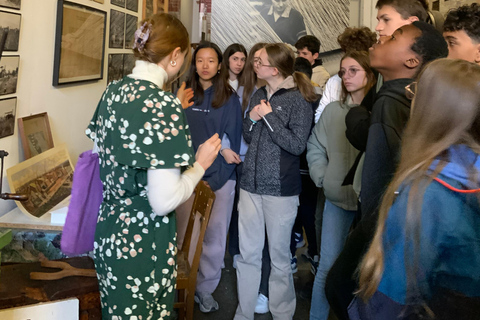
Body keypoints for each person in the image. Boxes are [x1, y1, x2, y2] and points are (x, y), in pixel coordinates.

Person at [85, 13, 221, 319]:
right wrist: (199, 166)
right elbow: (162, 202)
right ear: (175, 57)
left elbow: (99, 157)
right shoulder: (164, 105)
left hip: (109, 235)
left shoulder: (112, 93)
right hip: (142, 244)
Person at [325, 21, 448, 320]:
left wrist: (371, 234)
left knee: (341, 286)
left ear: (411, 61)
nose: (379, 37)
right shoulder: (410, 97)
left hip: (380, 226)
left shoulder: (390, 103)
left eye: (394, 36)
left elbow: (380, 179)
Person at [351, 58, 480, 320]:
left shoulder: (427, 195)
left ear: (430, 111)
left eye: (414, 92)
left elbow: (391, 298)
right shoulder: (468, 175)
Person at [234, 43, 316, 320]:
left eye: (260, 61)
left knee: (280, 259)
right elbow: (246, 134)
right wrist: (254, 119)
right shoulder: (258, 93)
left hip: (280, 191)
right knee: (247, 256)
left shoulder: (299, 99)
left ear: (275, 69)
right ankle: (244, 313)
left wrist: (268, 117)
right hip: (249, 187)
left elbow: (296, 145)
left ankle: (282, 314)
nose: (254, 65)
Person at [307, 50, 376, 320]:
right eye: (343, 71)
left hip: (369, 203)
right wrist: (323, 176)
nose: (346, 76)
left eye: (353, 70)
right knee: (327, 265)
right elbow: (314, 145)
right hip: (336, 198)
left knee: (366, 271)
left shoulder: (378, 113)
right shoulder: (333, 111)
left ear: (369, 74)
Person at [184, 41, 243, 313]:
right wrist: (190, 177)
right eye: (200, 60)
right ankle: (183, 286)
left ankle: (205, 289)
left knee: (214, 238)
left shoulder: (229, 99)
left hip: (220, 178)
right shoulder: (183, 94)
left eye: (211, 61)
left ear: (220, 65)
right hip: (186, 179)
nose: (205, 66)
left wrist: (214, 181)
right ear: (193, 64)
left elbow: (232, 143)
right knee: (186, 235)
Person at [289, 56, 320, 276]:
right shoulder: (317, 100)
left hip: (291, 163)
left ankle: (289, 255)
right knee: (310, 211)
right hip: (311, 165)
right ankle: (315, 254)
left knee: (290, 211)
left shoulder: (288, 99)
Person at [315, 27, 377, 122]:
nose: (346, 76)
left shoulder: (376, 81)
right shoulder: (334, 82)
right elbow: (320, 116)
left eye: (353, 70)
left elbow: (319, 116)